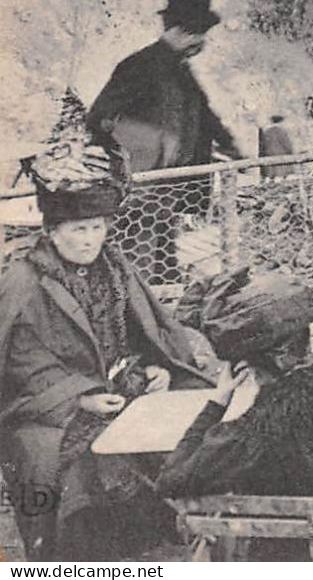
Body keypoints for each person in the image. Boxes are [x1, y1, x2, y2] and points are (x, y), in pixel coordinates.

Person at [0, 122, 205, 560]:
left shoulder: (114, 268)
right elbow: (22, 367)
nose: (89, 239)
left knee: (176, 438)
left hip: (118, 391)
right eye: (77, 230)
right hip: (46, 413)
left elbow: (148, 333)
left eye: (96, 227)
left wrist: (157, 368)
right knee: (76, 473)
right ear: (52, 232)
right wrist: (81, 399)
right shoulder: (23, 281)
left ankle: (148, 546)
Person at [156, 275, 313, 560]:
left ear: (244, 365)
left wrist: (218, 400)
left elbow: (170, 480)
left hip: (295, 557)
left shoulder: (257, 428)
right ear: (306, 345)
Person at [88, 0, 240, 283]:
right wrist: (124, 158)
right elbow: (99, 117)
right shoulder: (139, 66)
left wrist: (231, 147)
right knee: (136, 255)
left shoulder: (182, 72)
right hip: (140, 184)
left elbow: (205, 116)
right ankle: (135, 312)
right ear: (186, 30)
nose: (202, 44)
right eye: (200, 35)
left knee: (162, 254)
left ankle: (159, 308)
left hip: (167, 185)